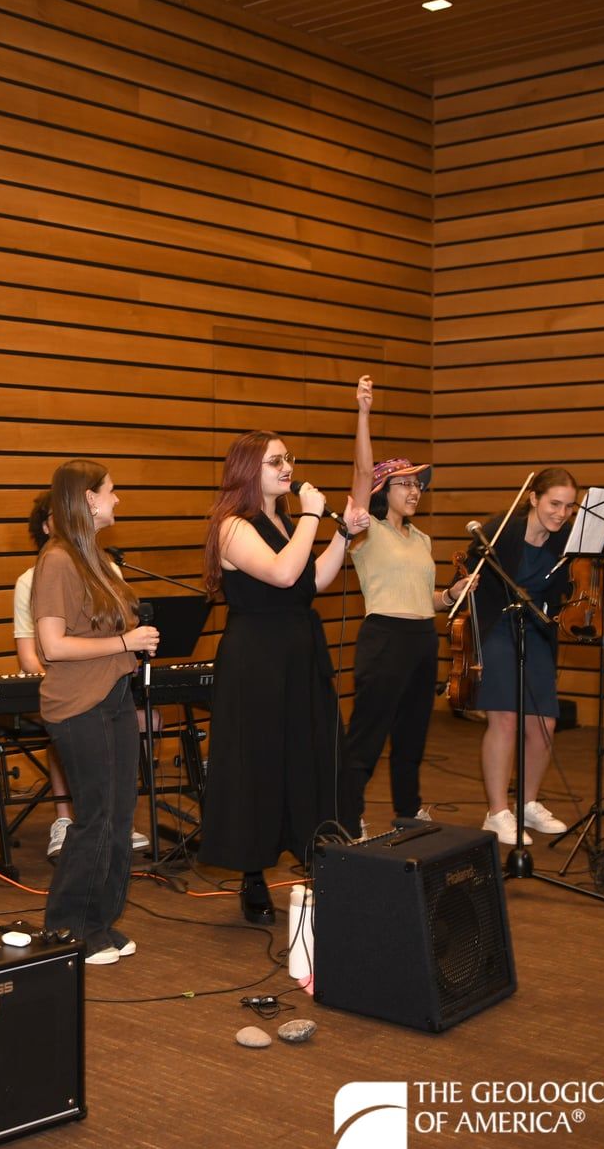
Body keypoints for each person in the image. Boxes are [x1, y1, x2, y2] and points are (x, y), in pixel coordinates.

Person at [196, 432, 367, 924]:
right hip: (257, 659)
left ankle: (314, 853)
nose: (287, 466)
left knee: (310, 752)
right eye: (276, 460)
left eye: (288, 458)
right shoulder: (231, 526)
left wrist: (344, 535)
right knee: (259, 762)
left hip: (299, 651)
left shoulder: (282, 519)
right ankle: (252, 875)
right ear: (250, 470)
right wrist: (314, 515)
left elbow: (312, 579)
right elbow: (282, 574)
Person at [29, 461, 158, 965]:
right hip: (79, 705)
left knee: (119, 816)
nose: (117, 499)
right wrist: (125, 640)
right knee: (96, 820)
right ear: (87, 499)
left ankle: (100, 921)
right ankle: (68, 930)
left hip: (113, 697)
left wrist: (130, 644)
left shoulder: (95, 559)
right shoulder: (58, 560)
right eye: (111, 491)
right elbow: (52, 645)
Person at [340, 376, 476, 831]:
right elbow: (361, 474)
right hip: (384, 639)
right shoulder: (366, 530)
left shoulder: (421, 538)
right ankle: (348, 814)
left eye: (419, 485)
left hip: (421, 639)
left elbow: (424, 598)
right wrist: (363, 413)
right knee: (367, 736)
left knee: (412, 738)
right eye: (406, 484)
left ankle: (407, 812)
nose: (416, 491)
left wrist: (450, 596)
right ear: (383, 491)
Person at [13, 491, 150, 860]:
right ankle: (65, 819)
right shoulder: (40, 574)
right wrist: (75, 678)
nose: (118, 499)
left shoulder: (106, 567)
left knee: (148, 717)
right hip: (71, 690)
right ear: (47, 525)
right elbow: (36, 654)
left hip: (111, 686)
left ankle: (117, 819)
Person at [464, 468, 578, 846]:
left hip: (538, 625)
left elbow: (567, 589)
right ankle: (497, 813)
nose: (560, 514)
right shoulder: (502, 530)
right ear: (533, 498)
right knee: (506, 719)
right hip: (497, 624)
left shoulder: (566, 541)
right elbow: (473, 570)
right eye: (554, 504)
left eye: (568, 507)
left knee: (544, 722)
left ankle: (528, 802)